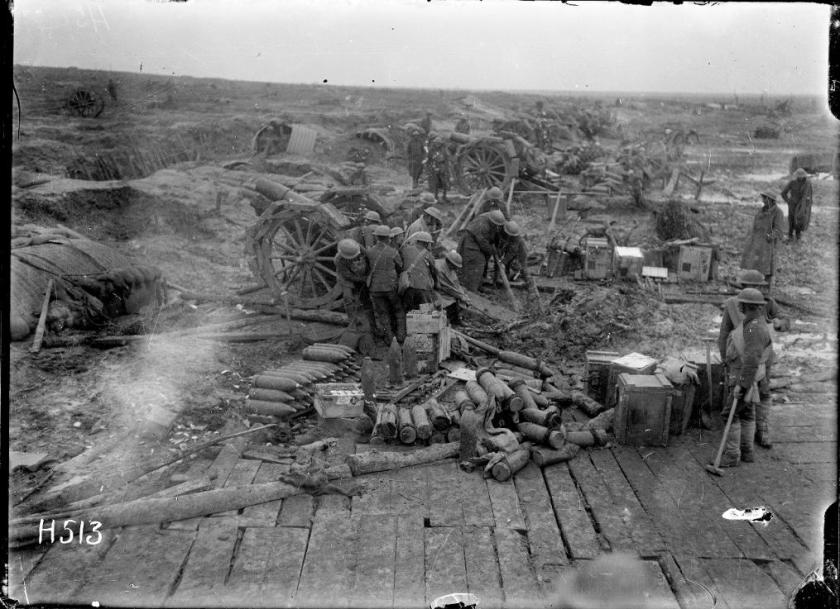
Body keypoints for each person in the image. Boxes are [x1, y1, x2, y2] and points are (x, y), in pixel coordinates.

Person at [717, 269, 782, 448]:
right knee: (741, 397)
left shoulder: (768, 303)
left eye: (758, 286)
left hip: (763, 357)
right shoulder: (733, 304)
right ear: (743, 286)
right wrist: (725, 358)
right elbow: (724, 334)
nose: (755, 289)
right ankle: (744, 441)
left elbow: (784, 319)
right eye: (750, 286)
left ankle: (762, 431)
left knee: (764, 392)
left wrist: (780, 323)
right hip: (739, 357)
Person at [719, 287, 774, 468]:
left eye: (741, 304)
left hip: (745, 378)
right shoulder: (755, 323)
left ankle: (732, 455)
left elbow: (751, 361)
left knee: (729, 414)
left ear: (746, 306)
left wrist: (741, 386)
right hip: (751, 378)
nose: (739, 307)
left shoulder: (753, 329)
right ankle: (747, 452)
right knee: (747, 413)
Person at [365, 225, 406, 345]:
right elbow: (400, 267)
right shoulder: (393, 252)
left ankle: (389, 338)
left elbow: (367, 268)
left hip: (375, 288)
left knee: (383, 313)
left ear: (376, 237)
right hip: (390, 287)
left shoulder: (369, 252)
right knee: (398, 310)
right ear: (388, 238)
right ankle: (401, 336)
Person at [740, 191, 785, 286]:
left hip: (769, 244)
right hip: (757, 242)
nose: (763, 200)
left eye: (765, 198)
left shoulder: (778, 212)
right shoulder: (761, 210)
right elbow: (755, 225)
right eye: (763, 198)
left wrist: (770, 237)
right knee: (754, 264)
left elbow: (779, 230)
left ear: (771, 200)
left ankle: (767, 285)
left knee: (768, 267)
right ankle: (754, 283)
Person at [457, 209, 506, 292]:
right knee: (477, 262)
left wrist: (497, 250)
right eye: (495, 224)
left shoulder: (494, 222)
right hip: (470, 241)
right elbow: (482, 242)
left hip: (479, 241)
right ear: (491, 220)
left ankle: (478, 285)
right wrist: (492, 251)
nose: (497, 226)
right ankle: (470, 289)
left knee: (483, 262)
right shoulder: (482, 224)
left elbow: (494, 237)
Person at [334, 238, 375, 335]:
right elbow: (347, 275)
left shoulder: (359, 248)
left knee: (366, 298)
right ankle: (352, 323)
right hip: (347, 279)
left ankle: (372, 323)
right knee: (348, 299)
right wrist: (363, 279)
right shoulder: (338, 260)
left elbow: (370, 259)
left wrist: (369, 274)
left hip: (361, 273)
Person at [399, 231, 438, 312]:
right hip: (424, 289)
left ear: (417, 240)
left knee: (409, 313)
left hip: (408, 287)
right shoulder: (429, 255)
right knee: (425, 313)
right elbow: (434, 272)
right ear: (427, 243)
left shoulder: (405, 250)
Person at [435, 250, 471, 324]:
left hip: (444, 289)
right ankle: (451, 320)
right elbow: (446, 287)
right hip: (435, 289)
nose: (455, 269)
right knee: (450, 300)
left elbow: (456, 283)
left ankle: (456, 319)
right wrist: (460, 296)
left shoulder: (450, 268)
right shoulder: (439, 268)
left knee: (460, 296)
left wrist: (463, 294)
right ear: (449, 262)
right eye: (454, 266)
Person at [781, 167, 813, 242]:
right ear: (797, 176)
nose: (801, 177)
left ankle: (798, 235)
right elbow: (783, 193)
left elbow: (809, 195)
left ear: (804, 175)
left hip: (802, 205)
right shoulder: (792, 182)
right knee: (791, 219)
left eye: (802, 175)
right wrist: (788, 201)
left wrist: (807, 204)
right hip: (792, 204)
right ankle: (790, 235)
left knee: (800, 219)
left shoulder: (807, 183)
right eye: (799, 175)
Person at [425, 134, 451, 203]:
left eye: (439, 143)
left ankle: (444, 196)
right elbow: (429, 159)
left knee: (444, 182)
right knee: (435, 183)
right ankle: (436, 196)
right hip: (434, 167)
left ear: (441, 144)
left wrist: (446, 168)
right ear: (434, 143)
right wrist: (430, 168)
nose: (437, 144)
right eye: (436, 143)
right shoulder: (431, 150)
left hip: (442, 167)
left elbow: (446, 159)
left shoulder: (444, 150)